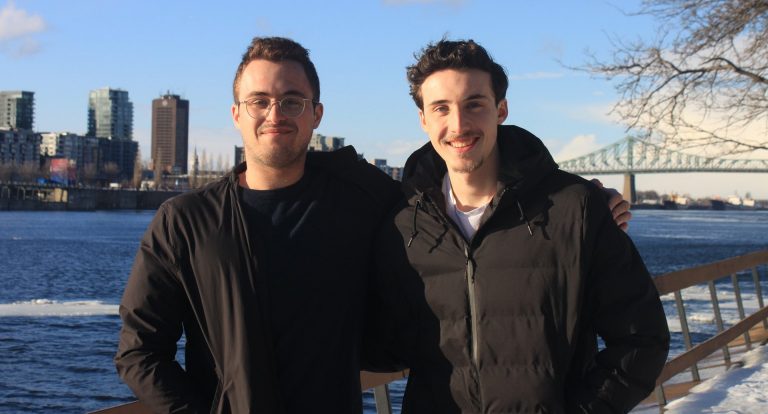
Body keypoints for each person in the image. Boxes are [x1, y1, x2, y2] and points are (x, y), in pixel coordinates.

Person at [115, 36, 632, 414]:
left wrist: (581, 197)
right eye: (260, 101)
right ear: (235, 114)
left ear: (316, 114)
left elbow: (459, 186)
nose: (276, 113)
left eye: (292, 101)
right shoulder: (184, 221)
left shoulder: (364, 199)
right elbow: (139, 351)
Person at [373, 39, 670, 413]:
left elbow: (642, 340)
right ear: (424, 120)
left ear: (501, 109)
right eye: (441, 108)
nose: (459, 124)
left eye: (474, 104)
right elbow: (386, 343)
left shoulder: (575, 208)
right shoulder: (404, 225)